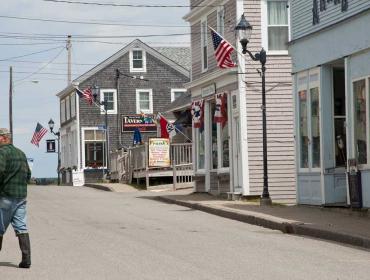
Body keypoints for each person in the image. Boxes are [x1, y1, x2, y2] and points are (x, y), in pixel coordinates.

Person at [0, 128, 32, 268]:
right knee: (21, 227)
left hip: (5, 196)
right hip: (21, 197)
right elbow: (28, 175)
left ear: (3, 138)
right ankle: (26, 260)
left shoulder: (2, 152)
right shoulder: (21, 153)